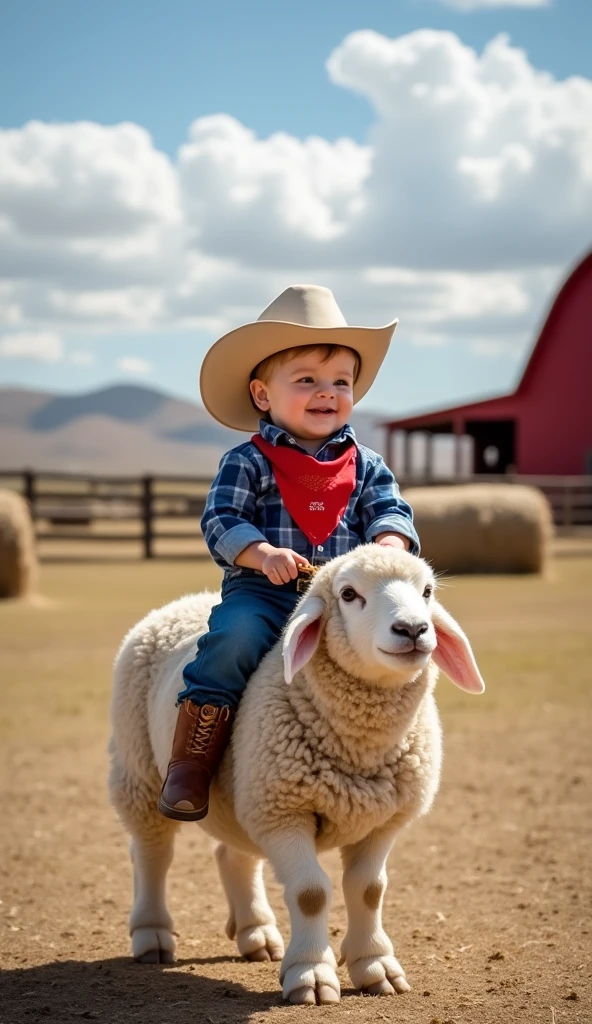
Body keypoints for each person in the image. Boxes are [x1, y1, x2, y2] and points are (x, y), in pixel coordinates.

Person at [158, 284, 419, 822]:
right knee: (234, 638)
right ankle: (193, 760)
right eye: (306, 380)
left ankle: (383, 764)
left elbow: (391, 509)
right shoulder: (247, 461)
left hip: (346, 599)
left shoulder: (366, 464)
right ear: (262, 395)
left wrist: (391, 542)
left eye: (340, 382)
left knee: (404, 641)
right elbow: (221, 520)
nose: (327, 392)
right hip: (266, 591)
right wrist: (258, 553)